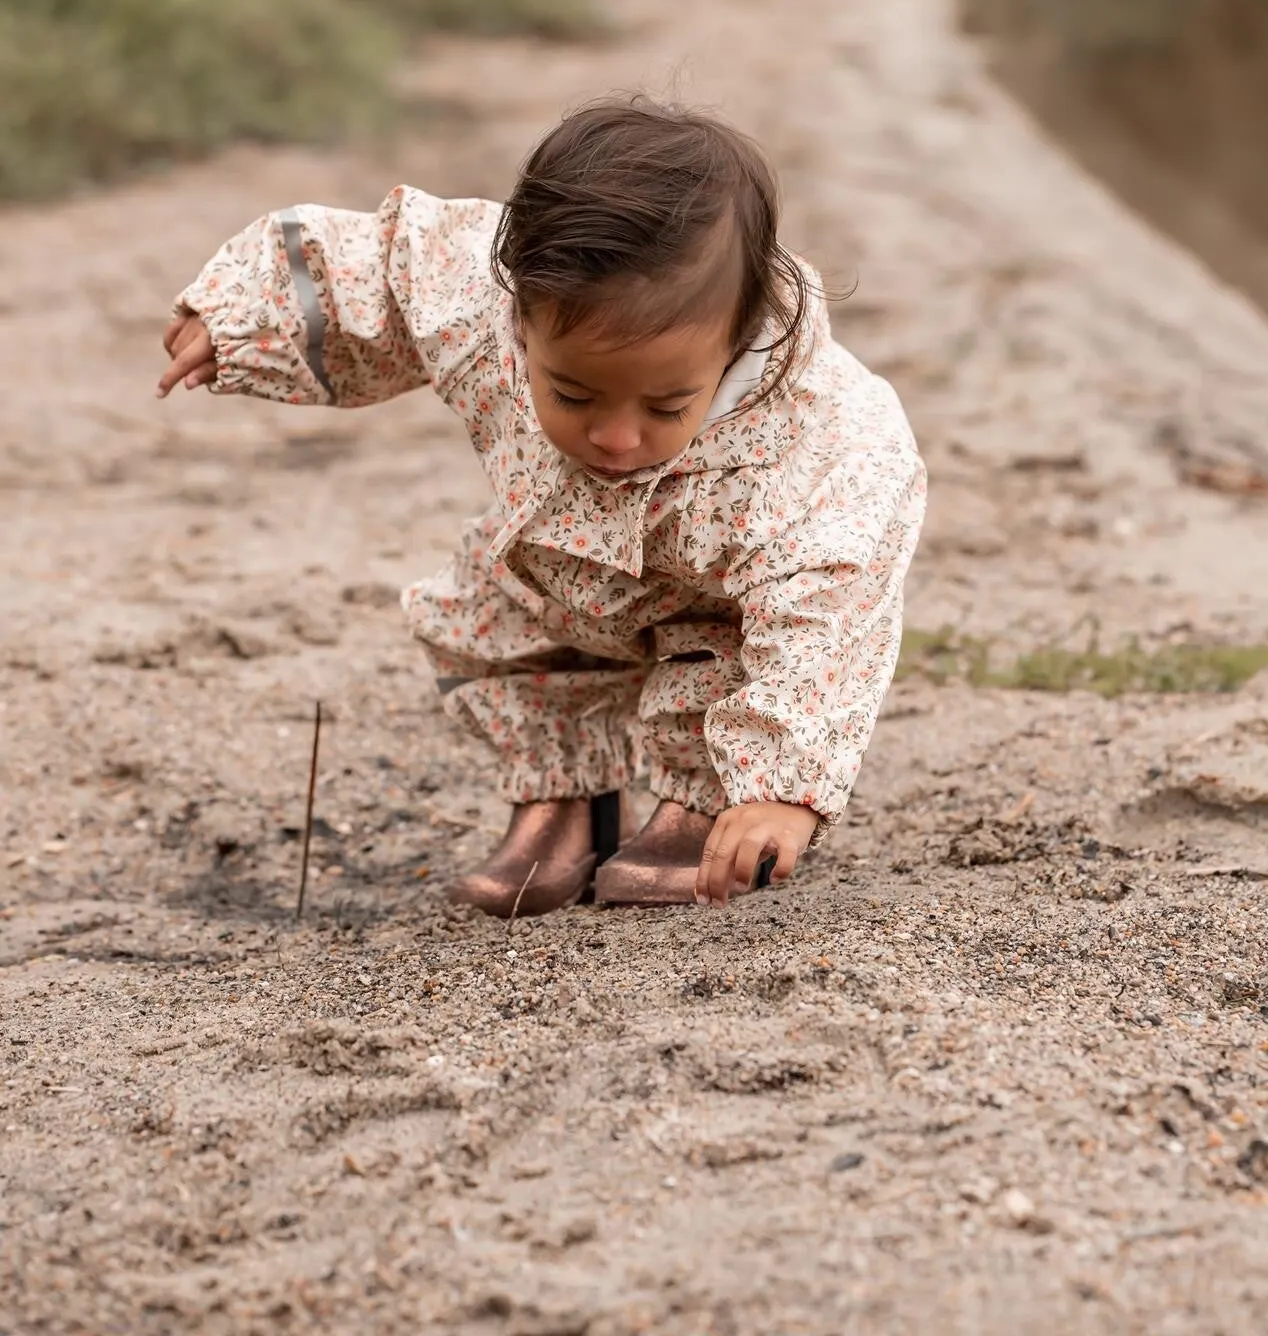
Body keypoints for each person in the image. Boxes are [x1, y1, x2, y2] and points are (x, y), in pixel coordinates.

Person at [158, 99, 926, 914]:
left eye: (666, 405)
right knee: (503, 625)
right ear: (520, 313)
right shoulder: (481, 302)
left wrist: (784, 785)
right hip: (555, 556)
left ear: (735, 344)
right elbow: (383, 267)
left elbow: (829, 609)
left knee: (721, 653)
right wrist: (244, 317)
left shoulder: (815, 437)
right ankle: (561, 800)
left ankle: (706, 807)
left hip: (721, 592)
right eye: (573, 391)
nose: (616, 435)